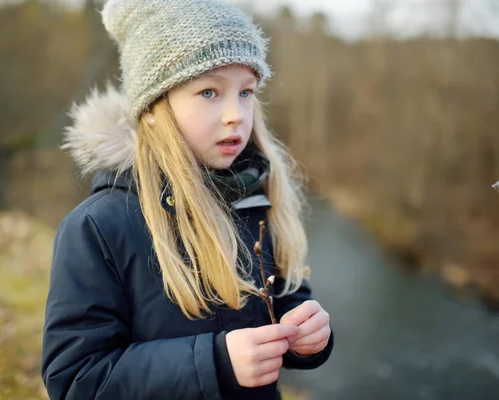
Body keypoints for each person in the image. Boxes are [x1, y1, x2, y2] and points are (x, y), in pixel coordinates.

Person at [41, 0, 334, 399]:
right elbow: (77, 379)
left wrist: (304, 332)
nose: (236, 114)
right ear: (153, 109)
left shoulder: (251, 197)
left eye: (246, 92)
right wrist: (215, 363)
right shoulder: (98, 227)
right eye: (209, 92)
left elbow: (278, 297)